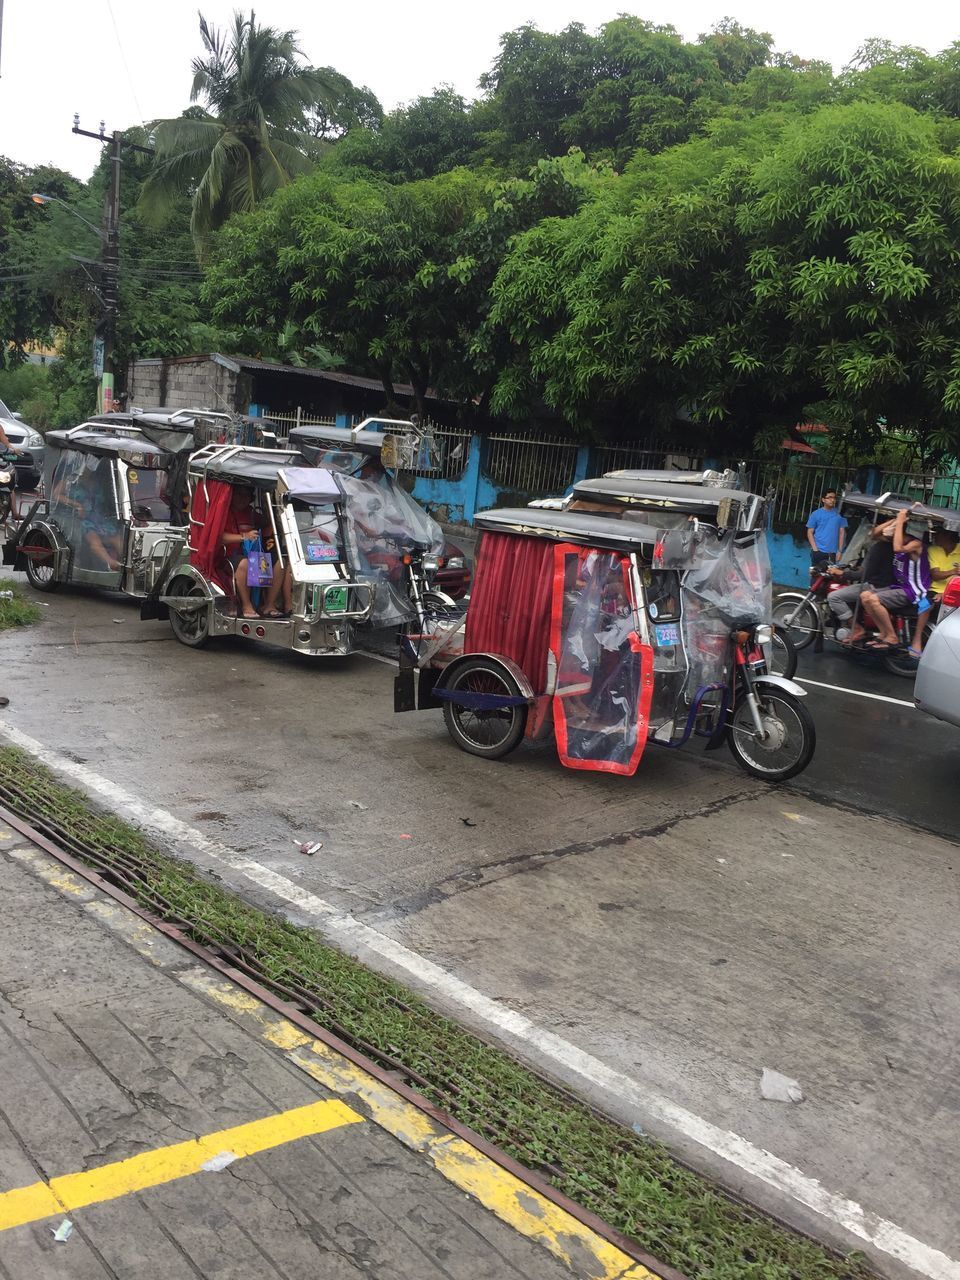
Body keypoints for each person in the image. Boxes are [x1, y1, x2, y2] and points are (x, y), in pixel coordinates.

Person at [860, 509, 931, 654]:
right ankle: (883, 633)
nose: (886, 537)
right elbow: (873, 534)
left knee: (873, 599)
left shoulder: (915, 544)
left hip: (914, 591)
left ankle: (892, 636)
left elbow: (898, 548)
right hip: (899, 587)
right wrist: (894, 520)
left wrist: (899, 523)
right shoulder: (895, 539)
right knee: (864, 596)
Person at [825, 517, 897, 645]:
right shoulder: (894, 547)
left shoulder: (879, 547)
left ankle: (857, 628)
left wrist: (843, 573)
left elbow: (864, 574)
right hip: (888, 586)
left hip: (875, 586)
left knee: (834, 597)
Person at [806, 490, 847, 568]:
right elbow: (810, 532)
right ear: (823, 500)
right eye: (829, 497)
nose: (832, 500)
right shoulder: (816, 514)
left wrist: (840, 551)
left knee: (829, 577)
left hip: (832, 553)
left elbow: (842, 533)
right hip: (818, 551)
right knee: (816, 575)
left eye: (834, 498)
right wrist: (815, 549)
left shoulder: (839, 515)